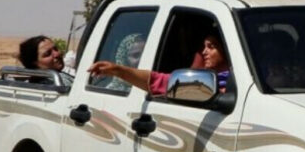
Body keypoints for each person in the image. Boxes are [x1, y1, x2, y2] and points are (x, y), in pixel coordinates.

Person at [88, 32, 230, 96]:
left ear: (227, 50)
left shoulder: (239, 84)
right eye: (204, 47)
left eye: (211, 47)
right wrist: (117, 69)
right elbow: (157, 80)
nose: (204, 52)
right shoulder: (203, 81)